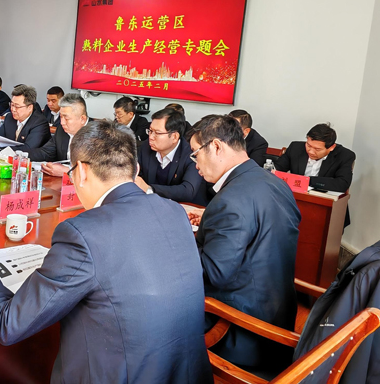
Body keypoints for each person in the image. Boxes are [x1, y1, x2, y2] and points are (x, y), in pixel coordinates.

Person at [0, 120, 212, 383]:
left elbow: (8, 324)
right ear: (136, 169)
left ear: (80, 171)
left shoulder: (83, 233)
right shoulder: (174, 211)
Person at [189, 114, 300, 374]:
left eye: (195, 154)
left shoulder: (230, 200)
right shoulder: (274, 183)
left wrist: (178, 240)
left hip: (240, 329)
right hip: (278, 313)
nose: (195, 164)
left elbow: (214, 273)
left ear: (216, 146)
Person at [274, 122, 355, 226]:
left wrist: (307, 181)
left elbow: (342, 184)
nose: (311, 151)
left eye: (317, 149)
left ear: (331, 147)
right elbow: (276, 170)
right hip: (294, 203)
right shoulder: (295, 148)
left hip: (326, 208)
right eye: (308, 145)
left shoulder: (345, 155)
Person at [134, 108, 207, 205]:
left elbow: (187, 190)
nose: (151, 137)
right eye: (150, 131)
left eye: (157, 133)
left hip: (185, 208)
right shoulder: (146, 147)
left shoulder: (191, 154)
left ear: (174, 137)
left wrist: (150, 189)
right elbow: (136, 175)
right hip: (152, 205)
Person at [20, 93, 89, 176]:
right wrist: (19, 154)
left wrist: (68, 172)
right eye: (61, 117)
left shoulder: (98, 136)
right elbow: (45, 152)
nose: (62, 122)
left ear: (82, 119)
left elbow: (97, 172)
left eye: (66, 118)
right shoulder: (61, 130)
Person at [0, 85, 49, 153]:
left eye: (17, 106)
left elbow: (28, 148)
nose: (13, 109)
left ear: (30, 107)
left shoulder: (40, 122)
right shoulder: (9, 118)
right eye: (12, 105)